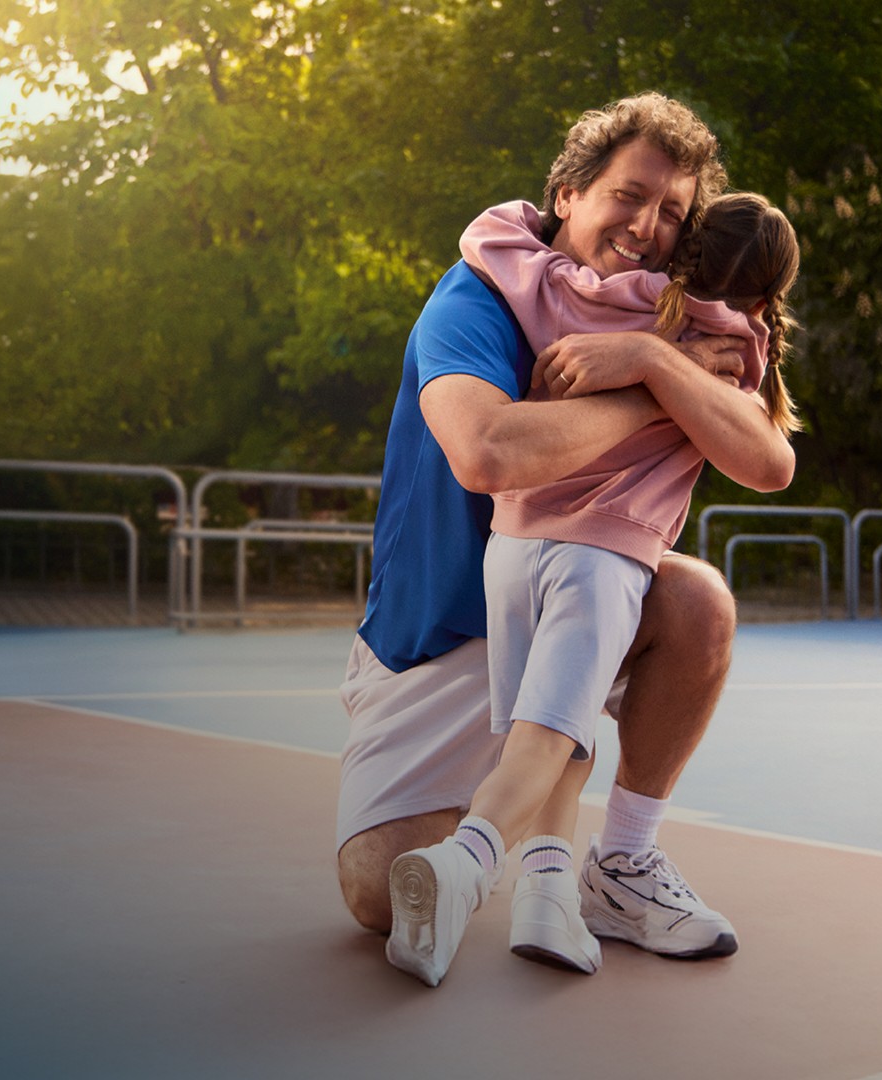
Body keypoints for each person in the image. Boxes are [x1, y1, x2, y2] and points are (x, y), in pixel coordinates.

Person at [335, 92, 795, 976]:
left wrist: (656, 357)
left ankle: (617, 864)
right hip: (442, 632)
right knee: (372, 891)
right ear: (568, 191)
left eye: (671, 212)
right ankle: (511, 839)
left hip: (578, 577)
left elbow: (768, 455)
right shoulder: (476, 295)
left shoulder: (671, 319)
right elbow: (488, 452)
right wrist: (653, 387)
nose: (647, 225)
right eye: (630, 194)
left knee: (695, 599)